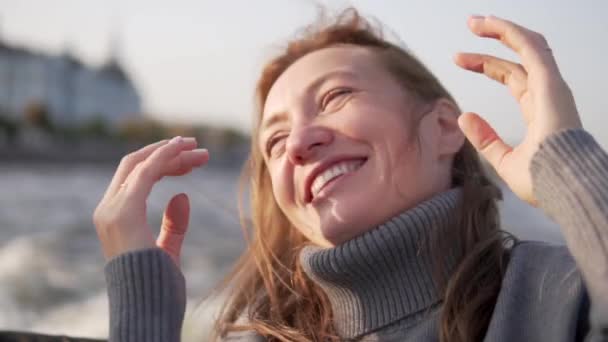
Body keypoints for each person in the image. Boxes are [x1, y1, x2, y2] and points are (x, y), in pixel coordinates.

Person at [93, 9, 607, 342]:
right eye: (274, 141)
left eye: (336, 97)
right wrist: (144, 315)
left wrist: (568, 166)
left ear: (446, 128)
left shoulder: (559, 296)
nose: (297, 143)